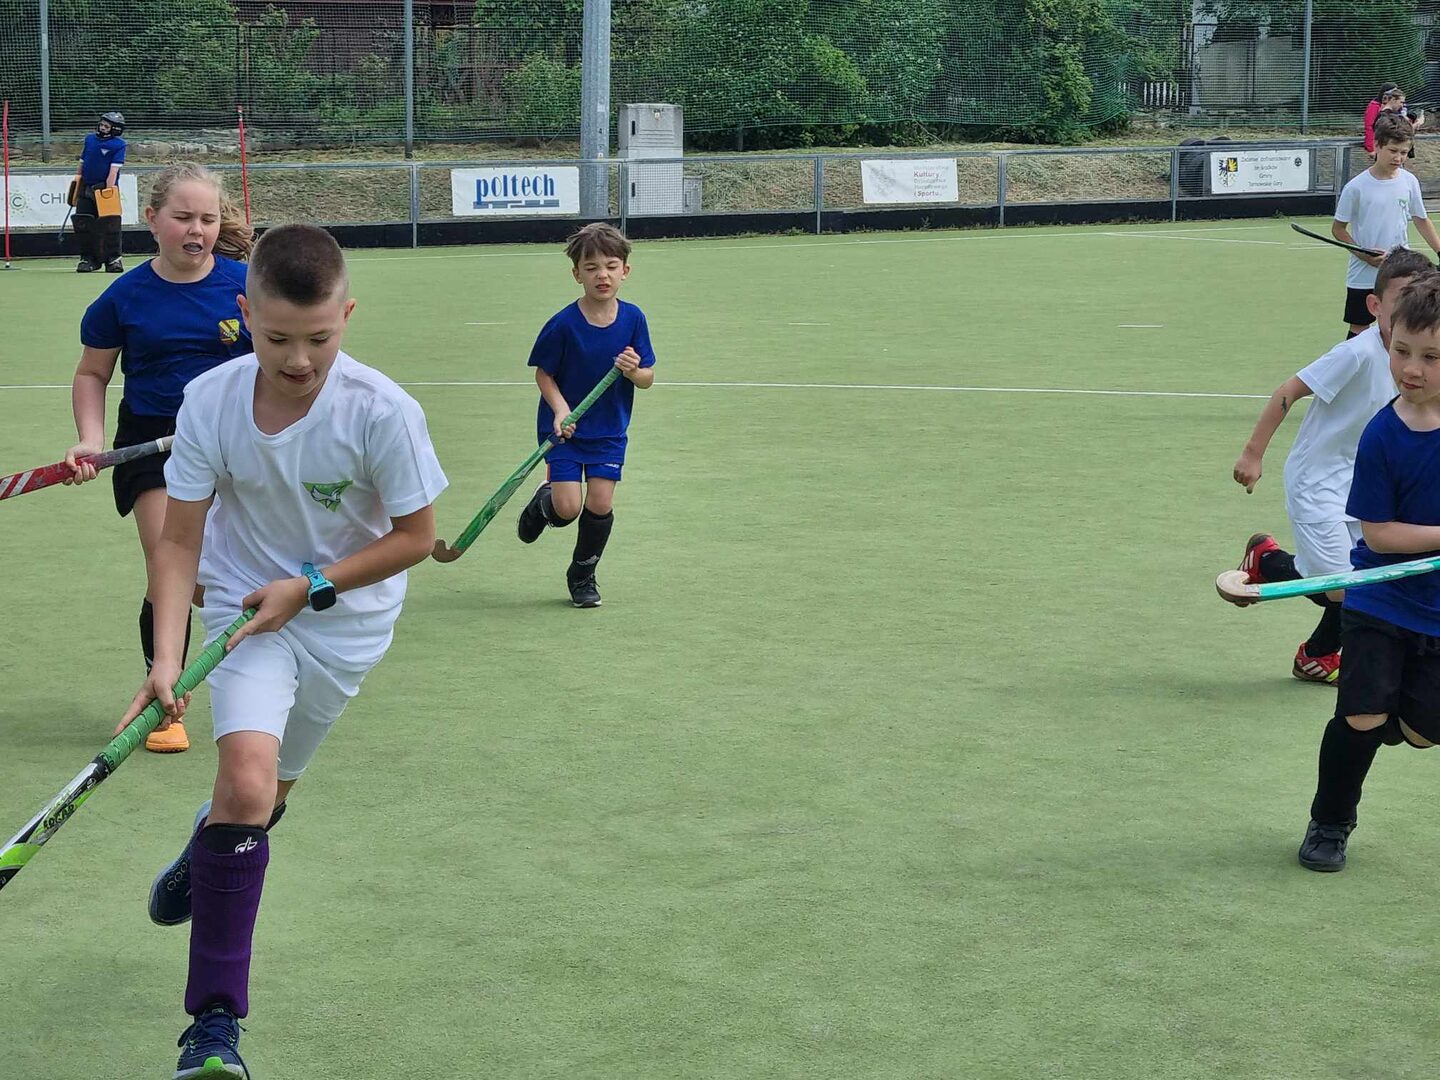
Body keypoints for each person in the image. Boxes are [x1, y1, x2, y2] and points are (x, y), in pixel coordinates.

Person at [121, 223, 448, 1076]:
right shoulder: (210, 400)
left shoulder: (382, 411)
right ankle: (214, 1024)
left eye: (318, 338)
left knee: (265, 799)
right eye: (275, 340)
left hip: (347, 622)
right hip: (241, 608)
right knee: (246, 780)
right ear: (244, 314)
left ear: (347, 316)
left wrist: (310, 585)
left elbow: (417, 537)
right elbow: (179, 542)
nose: (297, 360)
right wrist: (165, 658)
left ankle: (210, 845)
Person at [63, 162, 254, 753]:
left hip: (234, 439)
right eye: (183, 217)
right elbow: (92, 374)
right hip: (153, 441)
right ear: (152, 219)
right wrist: (91, 439)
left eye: (208, 218)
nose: (197, 230)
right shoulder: (123, 297)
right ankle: (165, 702)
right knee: (171, 566)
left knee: (221, 576)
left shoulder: (247, 285)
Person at [1228, 248, 1435, 683]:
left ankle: (1316, 653)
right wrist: (1253, 453)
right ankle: (1270, 563)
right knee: (1345, 588)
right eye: (1400, 301)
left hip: (1363, 485)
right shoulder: (1357, 353)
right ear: (1375, 305)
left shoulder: (1416, 364)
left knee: (1367, 577)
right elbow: (1290, 389)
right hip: (1317, 481)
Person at [1297, 273, 1440, 873]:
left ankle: (1385, 713)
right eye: (1401, 351)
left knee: (1422, 730)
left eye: (1431, 357)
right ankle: (1330, 823)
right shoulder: (1384, 434)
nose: (1412, 368)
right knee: (1359, 716)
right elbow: (1378, 534)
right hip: (1381, 599)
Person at [514, 223, 656, 608]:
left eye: (611, 266)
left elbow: (647, 379)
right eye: (591, 268)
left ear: (625, 271)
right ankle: (544, 503)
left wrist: (633, 371)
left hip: (609, 431)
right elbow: (544, 373)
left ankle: (582, 574)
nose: (602, 275)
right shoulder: (563, 324)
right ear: (577, 274)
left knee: (600, 504)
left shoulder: (633, 319)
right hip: (565, 431)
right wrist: (561, 410)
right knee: (566, 510)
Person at [1333, 113, 1440, 338]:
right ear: (1377, 145)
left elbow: (1421, 219)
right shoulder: (1356, 187)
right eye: (1393, 151)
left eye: (1403, 152)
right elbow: (1338, 229)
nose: (1398, 158)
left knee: (1400, 326)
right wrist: (1363, 255)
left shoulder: (1409, 181)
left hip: (1400, 273)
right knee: (1358, 329)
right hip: (1363, 274)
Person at [70, 110, 128, 273]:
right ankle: (88, 259)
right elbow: (82, 163)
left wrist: (108, 192)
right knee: (83, 223)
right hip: (86, 188)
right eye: (101, 125)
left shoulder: (119, 145)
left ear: (115, 129)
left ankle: (113, 259)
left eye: (106, 126)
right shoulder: (90, 140)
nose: (102, 128)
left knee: (110, 225)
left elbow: (113, 171)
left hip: (105, 189)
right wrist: (77, 183)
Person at [1362, 82, 1398, 157]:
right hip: (1379, 145)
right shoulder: (1374, 106)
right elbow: (1369, 126)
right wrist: (1371, 148)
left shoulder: (1392, 107)